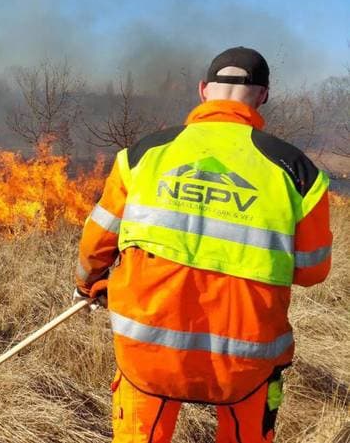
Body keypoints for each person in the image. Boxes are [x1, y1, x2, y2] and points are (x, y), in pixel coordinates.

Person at [74, 47, 332, 442]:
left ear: (202, 90)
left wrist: (87, 284)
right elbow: (313, 270)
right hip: (248, 358)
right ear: (263, 95)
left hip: (149, 347)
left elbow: (97, 244)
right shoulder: (297, 172)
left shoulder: (142, 156)